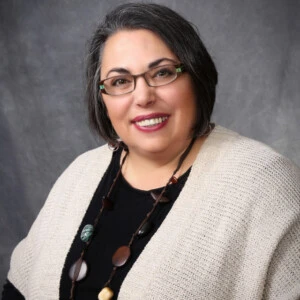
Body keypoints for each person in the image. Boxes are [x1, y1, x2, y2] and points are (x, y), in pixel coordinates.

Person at [2, 2, 300, 300]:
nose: (143, 96)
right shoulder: (81, 173)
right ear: (102, 99)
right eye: (120, 81)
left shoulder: (264, 183)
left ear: (196, 77)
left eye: (162, 73)